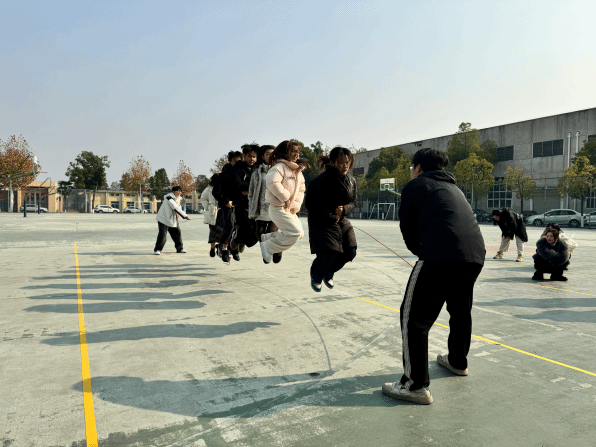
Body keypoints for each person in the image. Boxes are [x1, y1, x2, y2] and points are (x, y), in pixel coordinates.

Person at [381, 148, 485, 405]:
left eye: (411, 167)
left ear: (418, 167)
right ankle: (458, 362)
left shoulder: (416, 185)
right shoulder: (455, 188)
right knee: (460, 310)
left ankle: (414, 384)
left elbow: (408, 229)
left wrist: (425, 254)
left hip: (440, 254)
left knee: (414, 318)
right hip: (474, 255)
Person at [305, 147, 357, 292]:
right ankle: (316, 275)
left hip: (342, 220)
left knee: (350, 251)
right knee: (331, 252)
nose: (345, 166)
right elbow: (310, 204)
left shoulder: (351, 181)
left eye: (347, 162)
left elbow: (354, 202)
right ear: (333, 162)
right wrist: (330, 215)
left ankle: (329, 272)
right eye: (341, 163)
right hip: (322, 222)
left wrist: (344, 210)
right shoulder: (319, 181)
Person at [259, 140, 307, 264]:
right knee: (295, 233)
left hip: (288, 209)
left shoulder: (297, 171)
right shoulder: (279, 167)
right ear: (284, 152)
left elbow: (301, 190)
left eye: (298, 152)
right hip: (277, 207)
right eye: (293, 151)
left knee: (300, 233)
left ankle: (268, 237)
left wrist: (295, 205)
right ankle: (268, 246)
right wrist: (285, 197)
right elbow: (272, 182)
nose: (296, 154)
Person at [248, 145, 282, 263]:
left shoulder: (279, 171)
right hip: (261, 209)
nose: (271, 156)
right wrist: (252, 210)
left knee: (272, 232)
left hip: (274, 207)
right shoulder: (256, 173)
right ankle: (267, 252)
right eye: (268, 154)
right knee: (260, 234)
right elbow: (251, 193)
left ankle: (277, 251)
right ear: (262, 156)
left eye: (273, 154)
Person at [227, 144, 259, 257]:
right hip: (241, 203)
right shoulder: (237, 168)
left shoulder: (258, 168)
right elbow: (238, 186)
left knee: (256, 230)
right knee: (245, 226)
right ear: (244, 156)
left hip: (255, 204)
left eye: (254, 156)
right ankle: (236, 240)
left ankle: (242, 240)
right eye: (249, 156)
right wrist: (252, 189)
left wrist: (249, 190)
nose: (252, 159)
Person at [212, 151, 242, 263]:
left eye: (239, 161)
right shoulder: (223, 175)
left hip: (241, 204)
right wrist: (226, 201)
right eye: (235, 161)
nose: (237, 163)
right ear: (230, 161)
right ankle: (224, 249)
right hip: (227, 205)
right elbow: (216, 192)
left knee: (242, 227)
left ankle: (234, 248)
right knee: (230, 225)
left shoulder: (244, 174)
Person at [154, 186, 191, 255]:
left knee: (177, 234)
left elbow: (178, 209)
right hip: (163, 219)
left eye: (180, 191)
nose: (180, 192)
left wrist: (178, 216)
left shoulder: (179, 199)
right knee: (162, 234)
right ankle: (158, 249)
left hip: (173, 220)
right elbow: (175, 207)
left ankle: (180, 249)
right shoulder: (169, 198)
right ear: (173, 191)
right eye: (178, 191)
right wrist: (185, 216)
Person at [200, 174, 222, 257]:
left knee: (224, 232)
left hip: (222, 213)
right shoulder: (208, 189)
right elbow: (203, 198)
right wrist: (208, 207)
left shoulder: (224, 187)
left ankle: (220, 247)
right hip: (213, 213)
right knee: (213, 232)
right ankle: (212, 248)